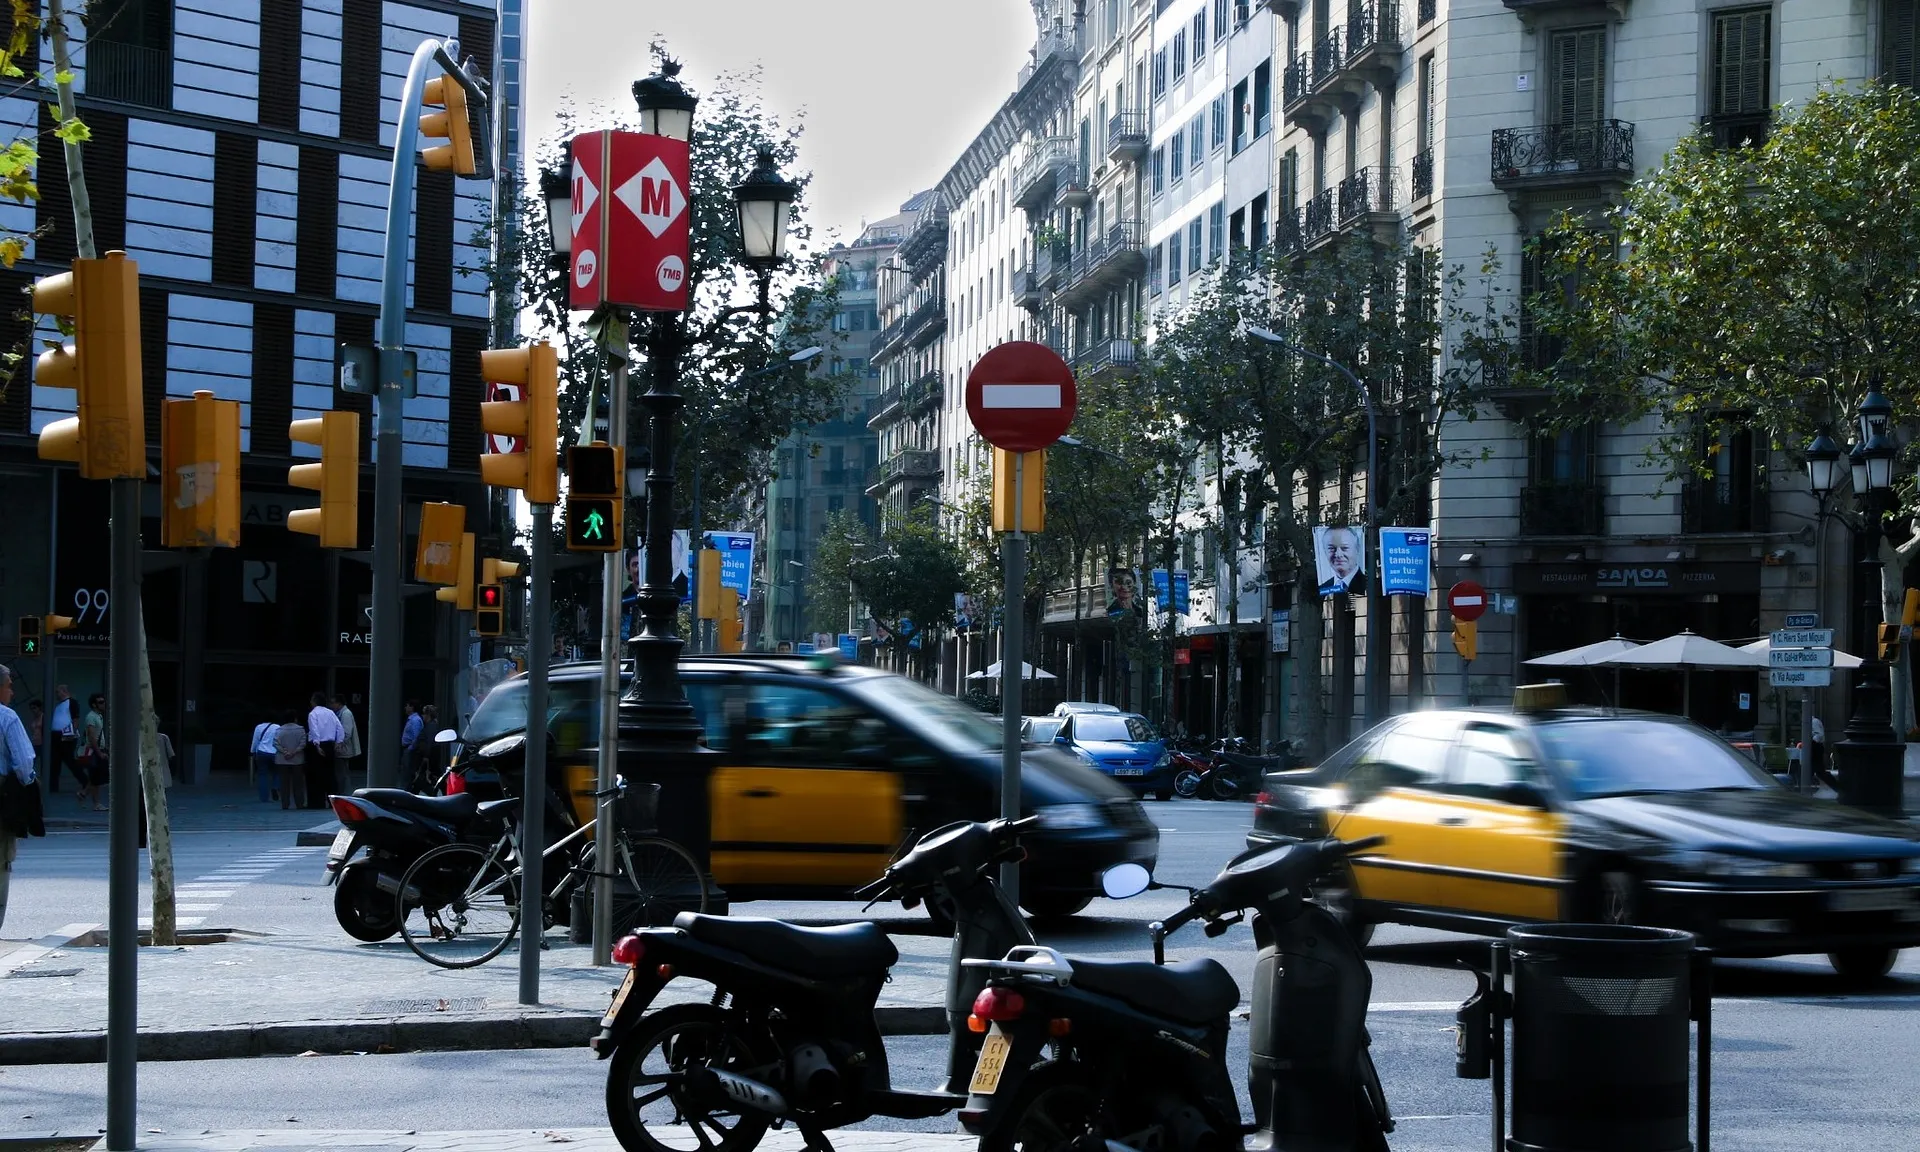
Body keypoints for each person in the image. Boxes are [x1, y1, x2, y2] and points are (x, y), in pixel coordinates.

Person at [0, 664, 46, 931]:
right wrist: (28, 784)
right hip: (3, 795)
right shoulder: (7, 717)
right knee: (2, 860)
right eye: (9, 686)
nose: (12, 692)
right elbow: (24, 762)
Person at [306, 691, 344, 809]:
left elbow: (314, 730)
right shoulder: (331, 713)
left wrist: (317, 745)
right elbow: (339, 727)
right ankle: (333, 801)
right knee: (330, 774)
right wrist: (339, 741)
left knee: (315, 775)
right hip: (329, 745)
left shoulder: (313, 714)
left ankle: (317, 802)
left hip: (317, 745)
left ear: (314, 701)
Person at [1317, 526, 1368, 596]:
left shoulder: (1369, 585)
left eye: (1344, 548)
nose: (1338, 554)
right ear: (1324, 550)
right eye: (1332, 548)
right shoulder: (1323, 589)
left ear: (1357, 549)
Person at [47, 685, 78, 798]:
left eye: (58, 692)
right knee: (55, 761)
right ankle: (53, 786)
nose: (57, 694)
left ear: (64, 691)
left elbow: (75, 719)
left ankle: (84, 780)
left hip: (65, 734)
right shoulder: (59, 705)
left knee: (69, 760)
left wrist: (72, 734)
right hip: (55, 735)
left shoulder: (72, 703)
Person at [274, 711, 308, 810]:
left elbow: (275, 743)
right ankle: (299, 803)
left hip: (282, 759)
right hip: (297, 759)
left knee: (284, 783)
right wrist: (294, 752)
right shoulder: (300, 730)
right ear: (295, 719)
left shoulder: (279, 730)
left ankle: (285, 804)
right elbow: (303, 743)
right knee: (298, 783)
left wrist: (285, 752)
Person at [81, 694, 108, 812]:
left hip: (99, 749)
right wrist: (99, 753)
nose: (104, 704)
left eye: (103, 701)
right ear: (94, 705)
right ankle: (96, 803)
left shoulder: (99, 716)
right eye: (101, 702)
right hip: (94, 750)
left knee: (96, 777)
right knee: (96, 778)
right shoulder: (91, 717)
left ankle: (83, 793)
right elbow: (92, 737)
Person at [332, 695, 362, 789]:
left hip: (343, 748)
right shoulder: (341, 713)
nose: (332, 705)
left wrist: (338, 744)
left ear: (339, 703)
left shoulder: (346, 714)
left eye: (333, 703)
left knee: (342, 774)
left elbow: (346, 733)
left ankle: (344, 791)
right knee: (342, 772)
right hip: (342, 748)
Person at [250, 714, 280, 803]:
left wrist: (252, 751)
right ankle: (275, 787)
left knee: (262, 775)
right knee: (278, 772)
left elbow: (255, 740)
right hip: (275, 752)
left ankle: (264, 797)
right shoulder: (277, 727)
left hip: (262, 752)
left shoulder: (258, 727)